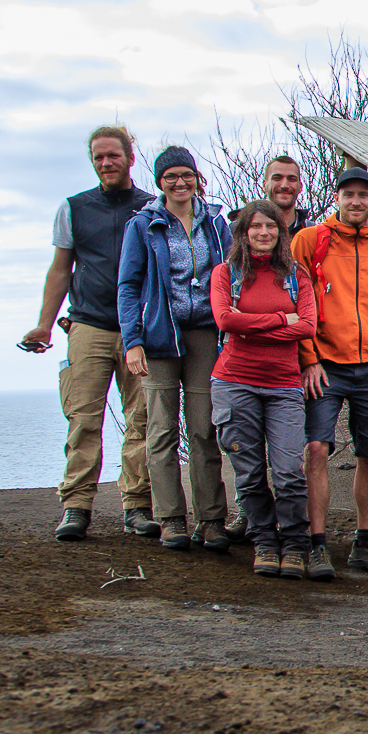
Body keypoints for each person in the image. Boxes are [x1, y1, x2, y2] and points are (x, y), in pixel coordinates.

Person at [24, 126, 155, 542]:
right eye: (98, 157)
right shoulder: (73, 208)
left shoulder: (152, 207)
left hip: (140, 329)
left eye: (113, 155)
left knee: (143, 419)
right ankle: (76, 506)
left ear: (130, 157)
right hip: (88, 325)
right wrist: (45, 324)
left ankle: (137, 506)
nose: (106, 163)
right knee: (82, 418)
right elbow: (61, 268)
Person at [292, 166, 368, 580]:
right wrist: (308, 358)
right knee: (316, 450)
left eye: (364, 194)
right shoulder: (309, 241)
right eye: (349, 194)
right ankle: (317, 545)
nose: (356, 201)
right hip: (325, 365)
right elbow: (300, 303)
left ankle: (365, 544)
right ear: (337, 198)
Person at [117, 147, 232, 551]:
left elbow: (233, 275)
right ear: (159, 181)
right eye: (171, 177)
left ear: (197, 177)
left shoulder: (217, 223)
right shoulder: (144, 225)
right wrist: (132, 341)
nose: (180, 183)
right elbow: (129, 286)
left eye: (187, 175)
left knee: (204, 428)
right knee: (162, 429)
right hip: (159, 335)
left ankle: (212, 519)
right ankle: (170, 519)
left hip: (205, 333)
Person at [209, 201, 317, 578]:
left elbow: (306, 327)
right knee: (250, 472)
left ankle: (294, 544)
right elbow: (224, 320)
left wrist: (248, 325)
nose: (263, 233)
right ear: (243, 232)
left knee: (288, 471)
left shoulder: (295, 275)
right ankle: (265, 543)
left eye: (271, 227)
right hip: (234, 382)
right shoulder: (226, 273)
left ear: (280, 232)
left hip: (284, 386)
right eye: (255, 226)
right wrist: (277, 319)